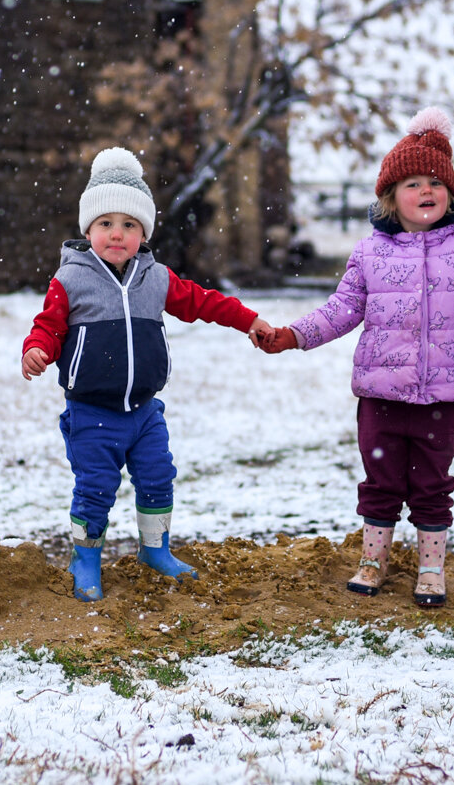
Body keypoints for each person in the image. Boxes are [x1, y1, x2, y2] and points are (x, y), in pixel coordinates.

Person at [257, 108, 454, 607]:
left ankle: (430, 567)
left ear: (450, 193)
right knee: (381, 481)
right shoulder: (369, 255)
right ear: (389, 197)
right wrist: (293, 335)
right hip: (380, 397)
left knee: (432, 484)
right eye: (411, 183)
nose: (425, 191)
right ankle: (373, 558)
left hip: (442, 400)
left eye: (435, 182)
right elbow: (341, 311)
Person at [22, 146, 273, 602]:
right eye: (106, 224)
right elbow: (48, 326)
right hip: (92, 414)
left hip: (144, 411)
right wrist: (37, 350)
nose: (117, 234)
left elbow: (204, 301)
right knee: (96, 488)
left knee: (158, 477)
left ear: (143, 232)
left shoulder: (155, 278)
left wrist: (248, 319)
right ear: (88, 229)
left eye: (129, 225)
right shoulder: (70, 281)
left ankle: (155, 549)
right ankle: (86, 559)